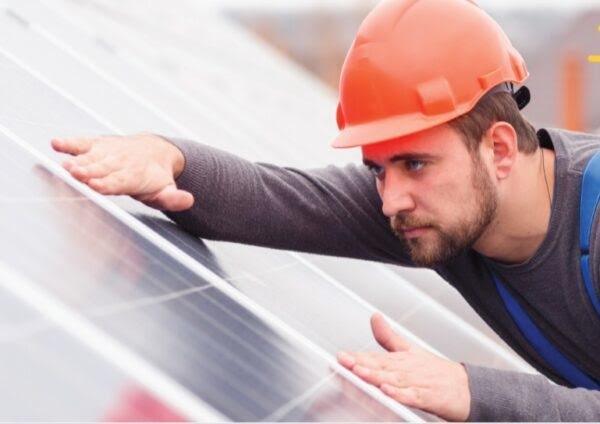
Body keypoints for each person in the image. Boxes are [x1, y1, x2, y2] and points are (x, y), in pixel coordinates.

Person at [50, 0, 600, 421]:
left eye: (414, 164)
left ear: (499, 149)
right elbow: (275, 201)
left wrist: (473, 391)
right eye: (377, 169)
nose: (390, 200)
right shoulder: (443, 204)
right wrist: (170, 159)